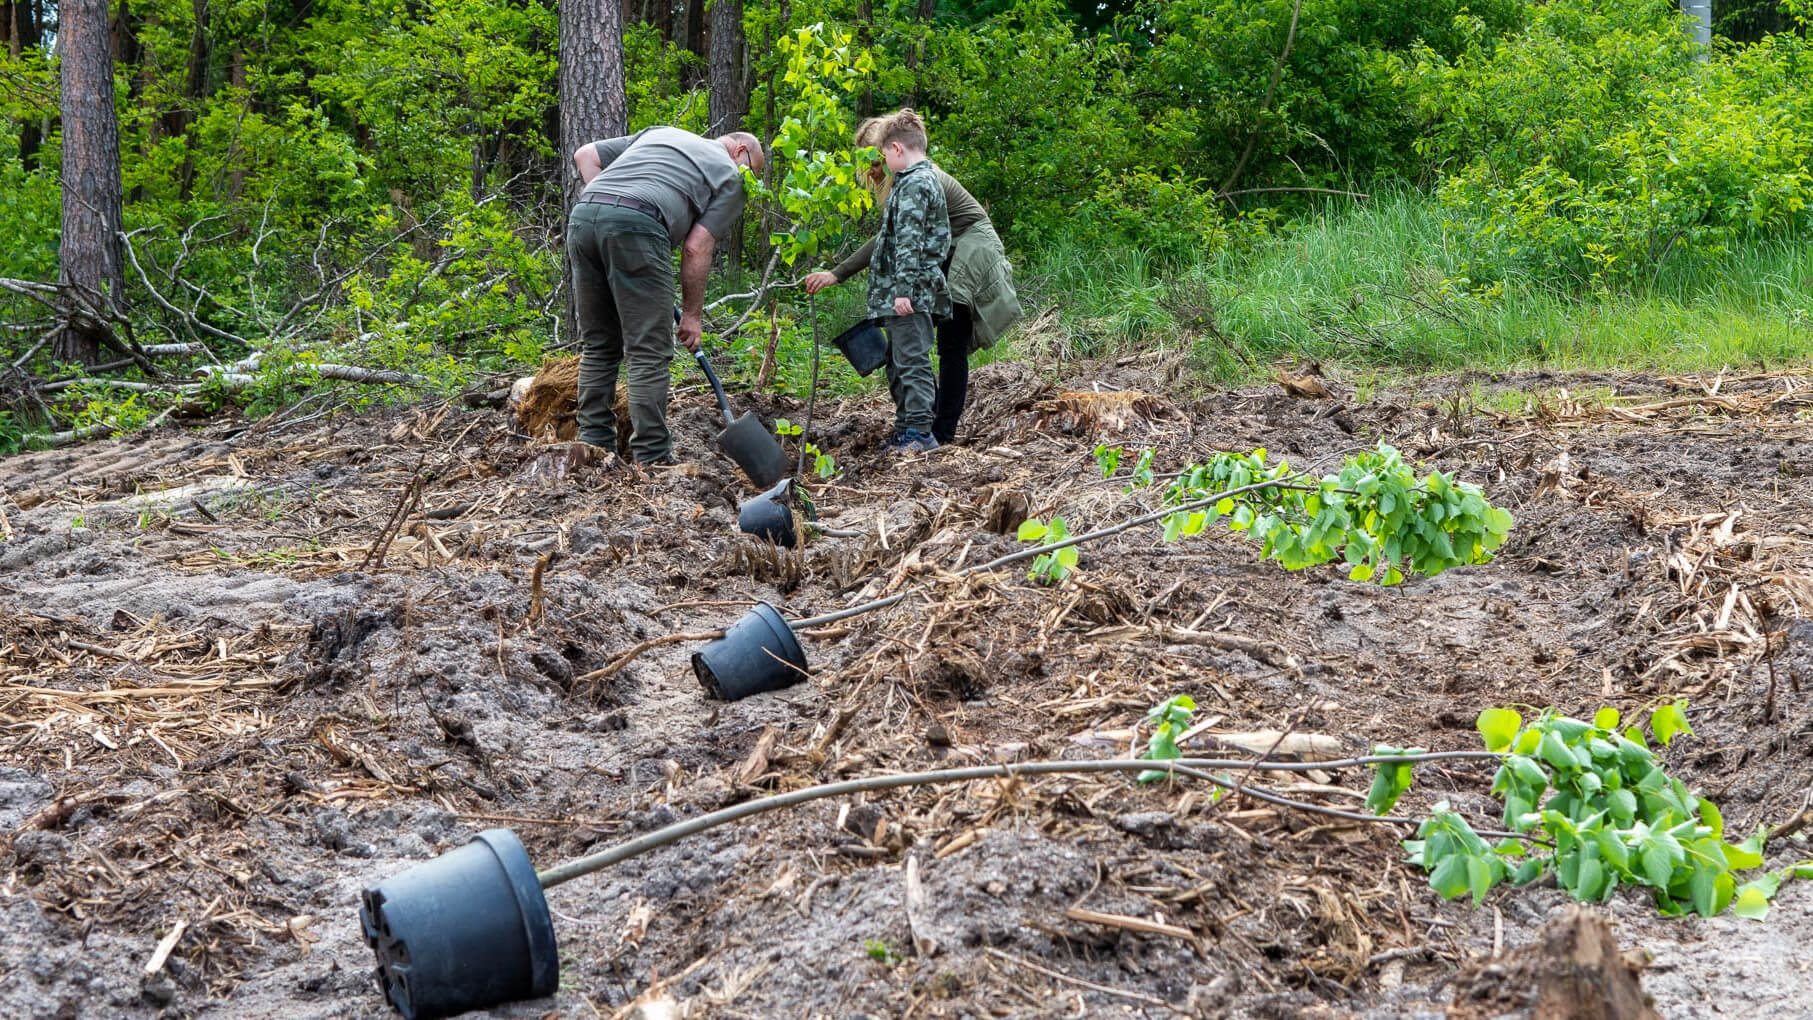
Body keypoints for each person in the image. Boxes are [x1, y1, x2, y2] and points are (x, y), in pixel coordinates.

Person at [804, 111, 1022, 447]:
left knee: (950, 343)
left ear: (890, 149)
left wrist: (843, 273)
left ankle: (936, 432)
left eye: (875, 160)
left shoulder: (917, 180)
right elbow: (892, 237)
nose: (872, 171)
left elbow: (902, 241)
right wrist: (839, 274)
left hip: (971, 244)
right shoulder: (904, 179)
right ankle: (921, 425)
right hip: (938, 253)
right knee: (910, 345)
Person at [568, 127, 764, 464]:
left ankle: (593, 449)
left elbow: (585, 155)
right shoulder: (734, 175)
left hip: (585, 216)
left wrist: (608, 210)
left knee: (600, 345)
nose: (749, 176)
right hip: (640, 223)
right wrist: (692, 315)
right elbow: (696, 246)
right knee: (647, 350)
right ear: (740, 150)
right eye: (751, 167)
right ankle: (653, 458)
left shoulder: (662, 133)